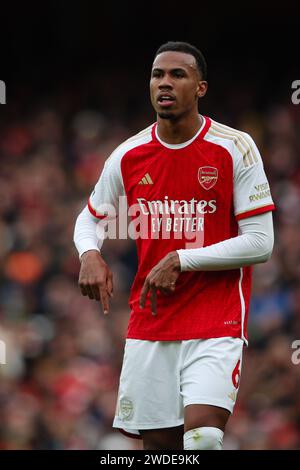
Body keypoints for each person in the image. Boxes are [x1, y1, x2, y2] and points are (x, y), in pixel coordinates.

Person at [73, 41, 275, 450]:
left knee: (202, 440)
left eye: (177, 75)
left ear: (200, 87)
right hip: (151, 324)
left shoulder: (234, 147)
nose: (164, 83)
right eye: (157, 75)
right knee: (160, 452)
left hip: (214, 322)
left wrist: (183, 259)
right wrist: (90, 253)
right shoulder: (128, 155)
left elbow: (261, 241)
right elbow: (90, 219)